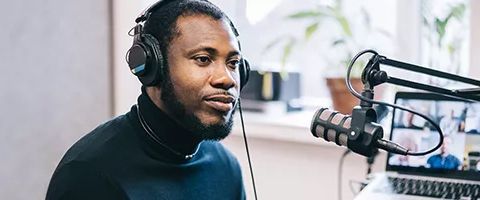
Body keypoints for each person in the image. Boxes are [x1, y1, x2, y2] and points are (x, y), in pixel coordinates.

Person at [46, 0, 249, 199]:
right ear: (152, 66)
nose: (227, 79)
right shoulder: (90, 175)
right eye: (203, 59)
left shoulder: (226, 167)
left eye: (233, 63)